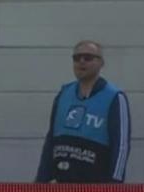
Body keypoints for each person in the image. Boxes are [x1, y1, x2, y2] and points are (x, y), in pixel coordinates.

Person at [36, 40, 131, 183]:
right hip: (62, 183)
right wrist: (41, 180)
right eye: (77, 58)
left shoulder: (114, 97)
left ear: (101, 63)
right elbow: (51, 140)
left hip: (95, 187)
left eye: (88, 57)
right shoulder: (64, 93)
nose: (81, 61)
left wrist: (114, 184)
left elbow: (121, 146)